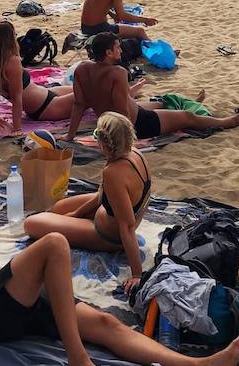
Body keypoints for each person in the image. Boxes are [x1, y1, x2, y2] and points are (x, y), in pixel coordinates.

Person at [0, 175, 239, 366]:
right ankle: (78, 358)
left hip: (7, 299)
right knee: (53, 245)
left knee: (105, 323)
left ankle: (197, 364)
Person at [25, 113, 150, 289]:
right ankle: (72, 221)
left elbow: (127, 226)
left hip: (108, 236)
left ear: (103, 142)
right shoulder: (135, 154)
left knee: (31, 223)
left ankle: (77, 229)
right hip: (109, 215)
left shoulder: (114, 172)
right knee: (59, 207)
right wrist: (77, 213)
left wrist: (137, 274)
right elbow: (102, 195)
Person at [68, 33, 239, 142]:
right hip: (138, 123)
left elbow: (79, 104)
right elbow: (123, 111)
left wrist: (70, 135)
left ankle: (190, 103)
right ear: (108, 53)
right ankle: (228, 122)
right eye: (118, 48)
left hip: (112, 121)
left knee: (161, 102)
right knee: (188, 117)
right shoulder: (118, 72)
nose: (121, 51)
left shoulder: (82, 69)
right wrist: (128, 141)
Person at [0, 22, 75, 129]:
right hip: (46, 107)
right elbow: (16, 98)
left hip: (45, 95)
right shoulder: (12, 61)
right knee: (87, 93)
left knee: (80, 88)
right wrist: (17, 128)